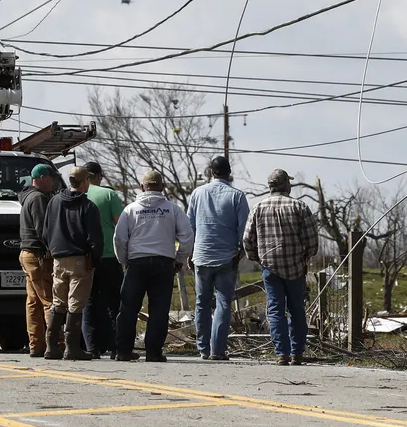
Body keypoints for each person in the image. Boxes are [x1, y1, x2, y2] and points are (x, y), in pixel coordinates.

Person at [113, 169, 193, 363]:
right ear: (162, 187)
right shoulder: (172, 209)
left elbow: (119, 239)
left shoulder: (130, 209)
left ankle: (123, 351)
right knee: (159, 310)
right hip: (163, 263)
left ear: (142, 187)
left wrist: (125, 261)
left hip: (137, 263)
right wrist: (179, 259)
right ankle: (153, 352)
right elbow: (188, 237)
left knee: (128, 309)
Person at [243, 168, 318, 366]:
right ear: (286, 184)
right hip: (295, 266)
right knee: (297, 310)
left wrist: (257, 258)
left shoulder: (258, 208)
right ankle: (297, 352)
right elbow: (312, 239)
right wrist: (306, 256)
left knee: (275, 310)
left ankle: (281, 353)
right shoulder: (299, 207)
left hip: (270, 267)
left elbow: (247, 239)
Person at [186, 155, 249, 360]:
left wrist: (190, 251)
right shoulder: (237, 196)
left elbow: (190, 227)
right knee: (223, 303)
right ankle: (218, 350)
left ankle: (203, 348)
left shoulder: (197, 193)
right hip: (226, 257)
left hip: (201, 256)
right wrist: (240, 251)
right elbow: (244, 231)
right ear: (229, 172)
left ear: (211, 172)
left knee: (202, 303)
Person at [42, 166, 102, 361]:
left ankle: (51, 346)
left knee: (58, 302)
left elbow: (45, 232)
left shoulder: (54, 202)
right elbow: (95, 238)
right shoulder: (88, 206)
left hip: (58, 258)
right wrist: (94, 259)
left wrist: (52, 249)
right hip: (79, 259)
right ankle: (72, 347)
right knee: (75, 303)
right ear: (85, 182)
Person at [80, 161, 124, 359]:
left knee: (88, 302)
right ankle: (116, 347)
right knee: (113, 302)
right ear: (98, 176)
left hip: (84, 258)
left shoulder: (75, 194)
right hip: (108, 256)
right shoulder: (109, 195)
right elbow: (121, 226)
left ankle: (92, 347)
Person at [17, 163, 55, 357]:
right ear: (42, 178)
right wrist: (52, 249)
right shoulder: (39, 198)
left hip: (26, 253)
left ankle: (36, 345)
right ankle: (55, 344)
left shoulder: (27, 197)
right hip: (37, 255)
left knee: (33, 302)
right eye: (51, 178)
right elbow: (43, 230)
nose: (53, 182)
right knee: (49, 300)